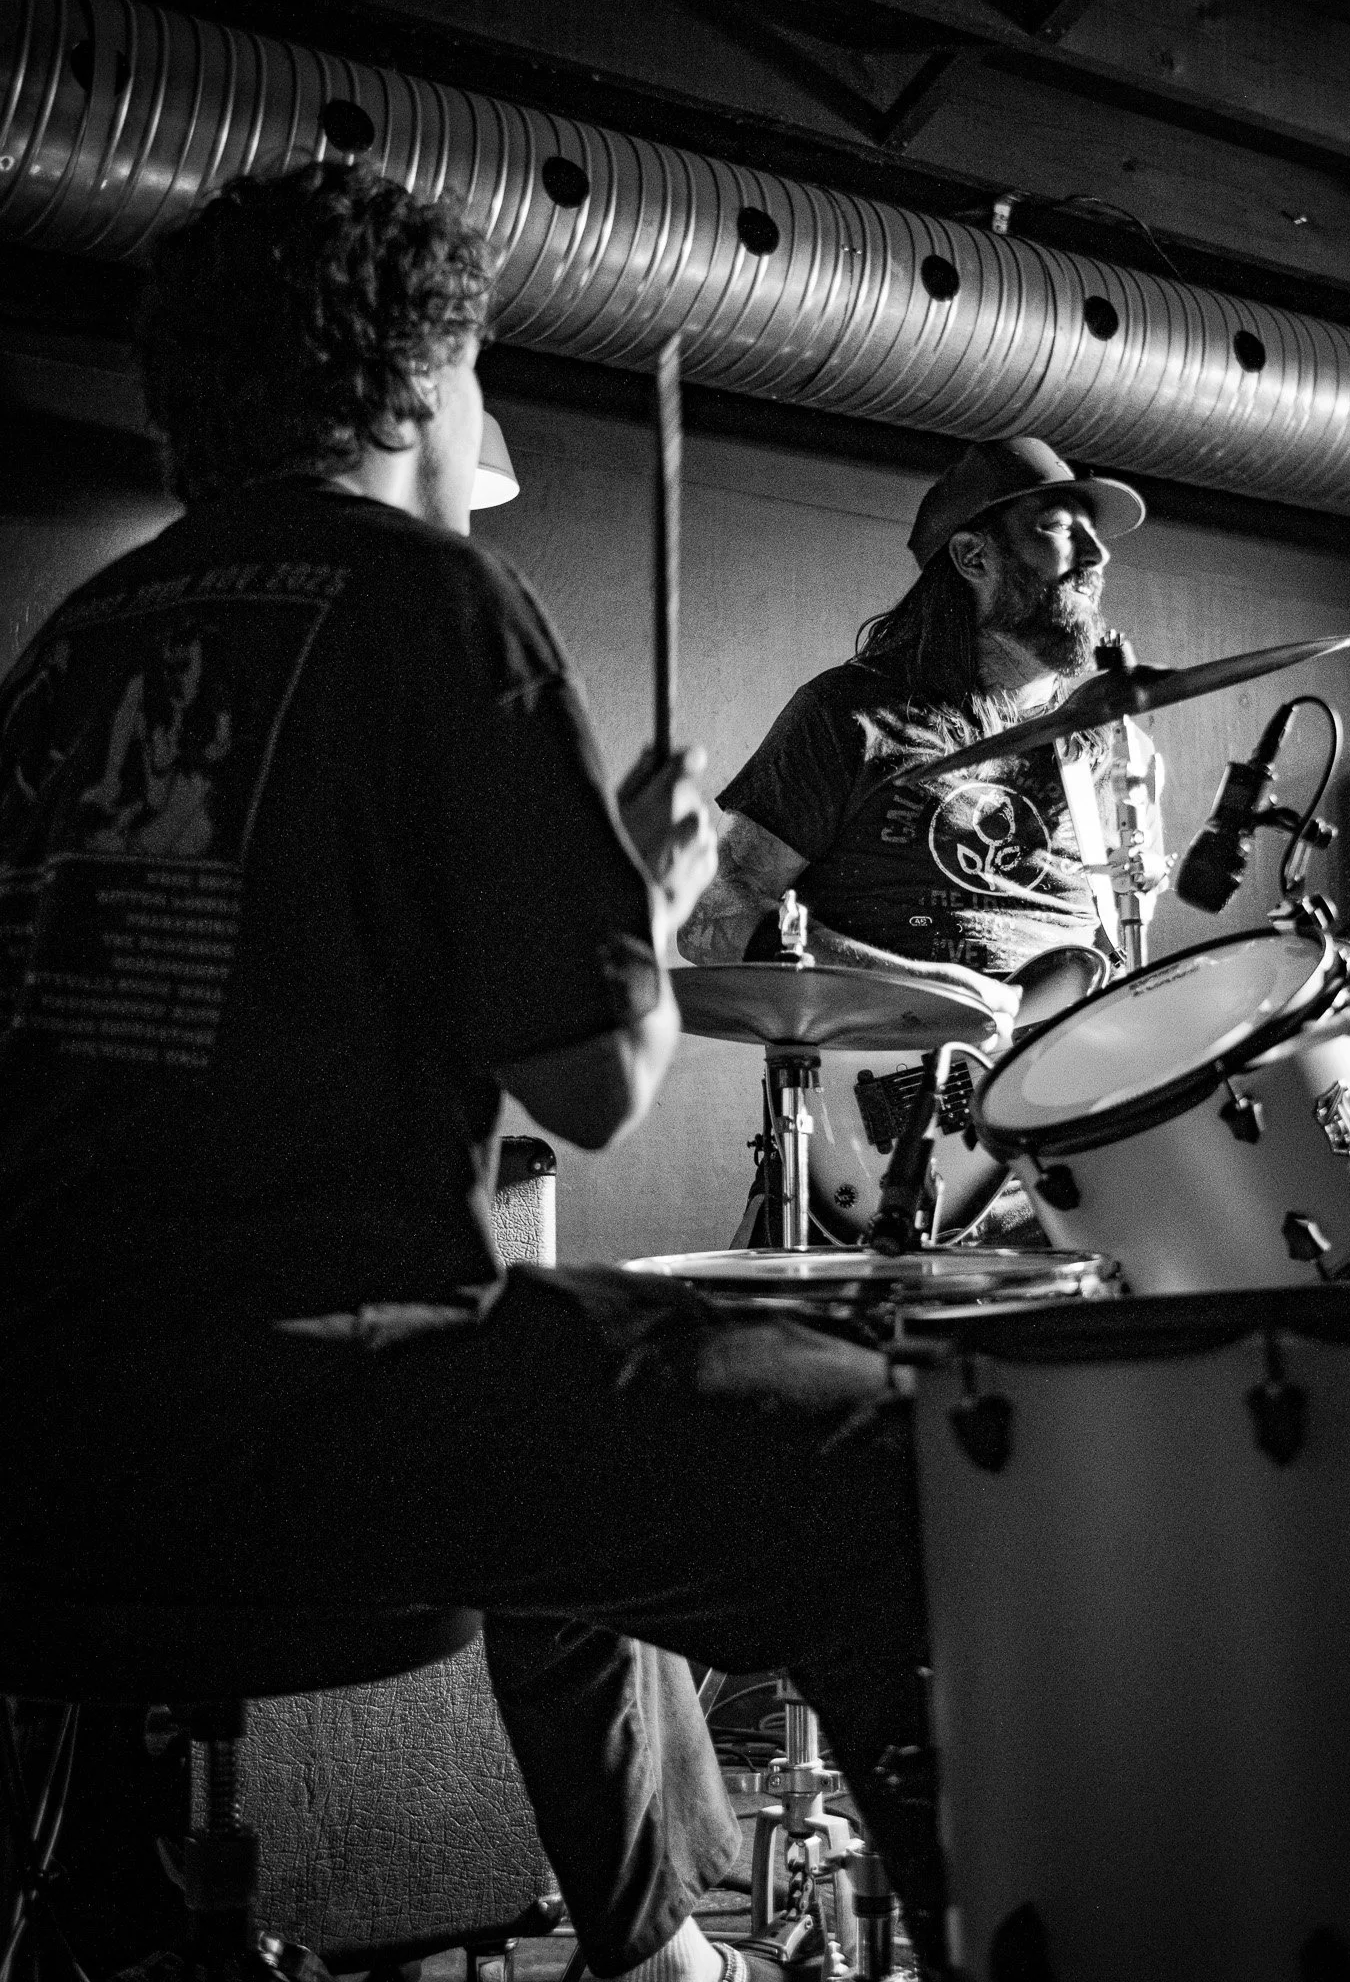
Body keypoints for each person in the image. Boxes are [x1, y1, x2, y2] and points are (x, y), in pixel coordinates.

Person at [0, 164, 945, 1982]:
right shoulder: (435, 597)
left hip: (38, 1418)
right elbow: (593, 1084)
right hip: (298, 1416)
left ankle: (658, 1941)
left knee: (585, 1430)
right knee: (884, 1461)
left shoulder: (76, 645)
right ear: (428, 374)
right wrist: (646, 895)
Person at [678, 437, 1168, 1239]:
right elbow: (714, 918)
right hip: (874, 1156)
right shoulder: (851, 715)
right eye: (1057, 528)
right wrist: (929, 999)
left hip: (1065, 1173)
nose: (1096, 553)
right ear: (973, 556)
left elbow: (1119, 964)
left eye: (1097, 535)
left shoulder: (1118, 751)